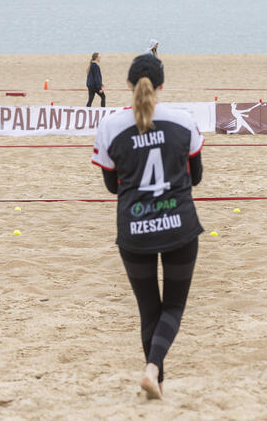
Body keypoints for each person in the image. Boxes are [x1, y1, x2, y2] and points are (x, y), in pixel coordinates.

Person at [92, 53, 204, 400]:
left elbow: (113, 186)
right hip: (178, 226)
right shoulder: (184, 121)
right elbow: (196, 177)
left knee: (149, 310)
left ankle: (156, 379)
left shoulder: (111, 126)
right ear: (161, 86)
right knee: (172, 307)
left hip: (134, 228)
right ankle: (153, 372)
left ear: (127, 85)